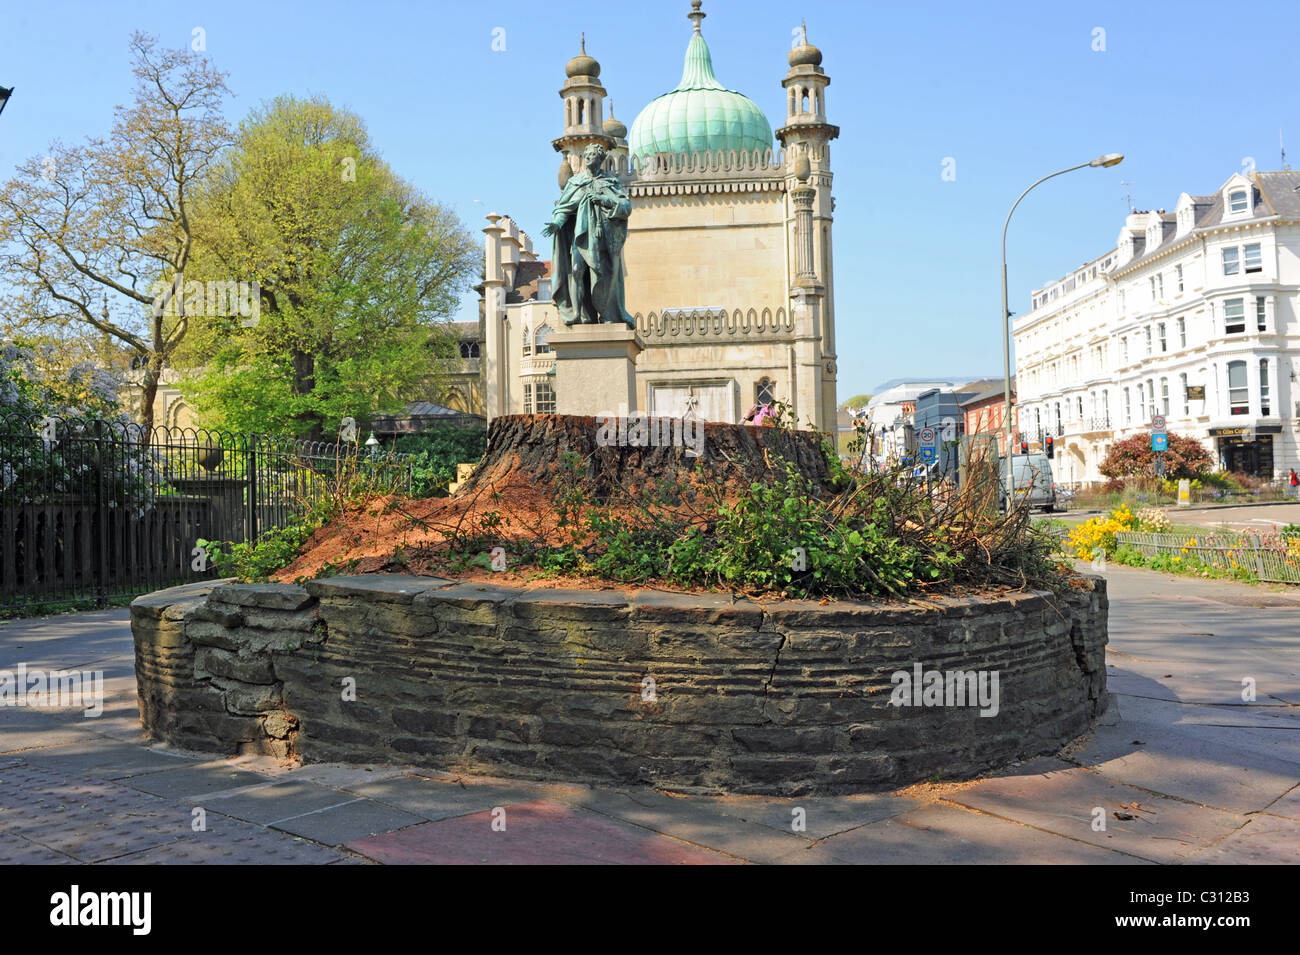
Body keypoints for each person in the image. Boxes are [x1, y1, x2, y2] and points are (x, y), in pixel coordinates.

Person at [543, 142, 634, 327]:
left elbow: (626, 207)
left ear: (600, 159)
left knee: (601, 275)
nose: (588, 158)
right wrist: (557, 223)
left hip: (602, 238)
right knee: (576, 271)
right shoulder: (575, 182)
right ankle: (579, 315)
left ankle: (607, 314)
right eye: (587, 155)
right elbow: (563, 208)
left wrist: (605, 200)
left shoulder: (611, 182)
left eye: (592, 155)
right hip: (580, 236)